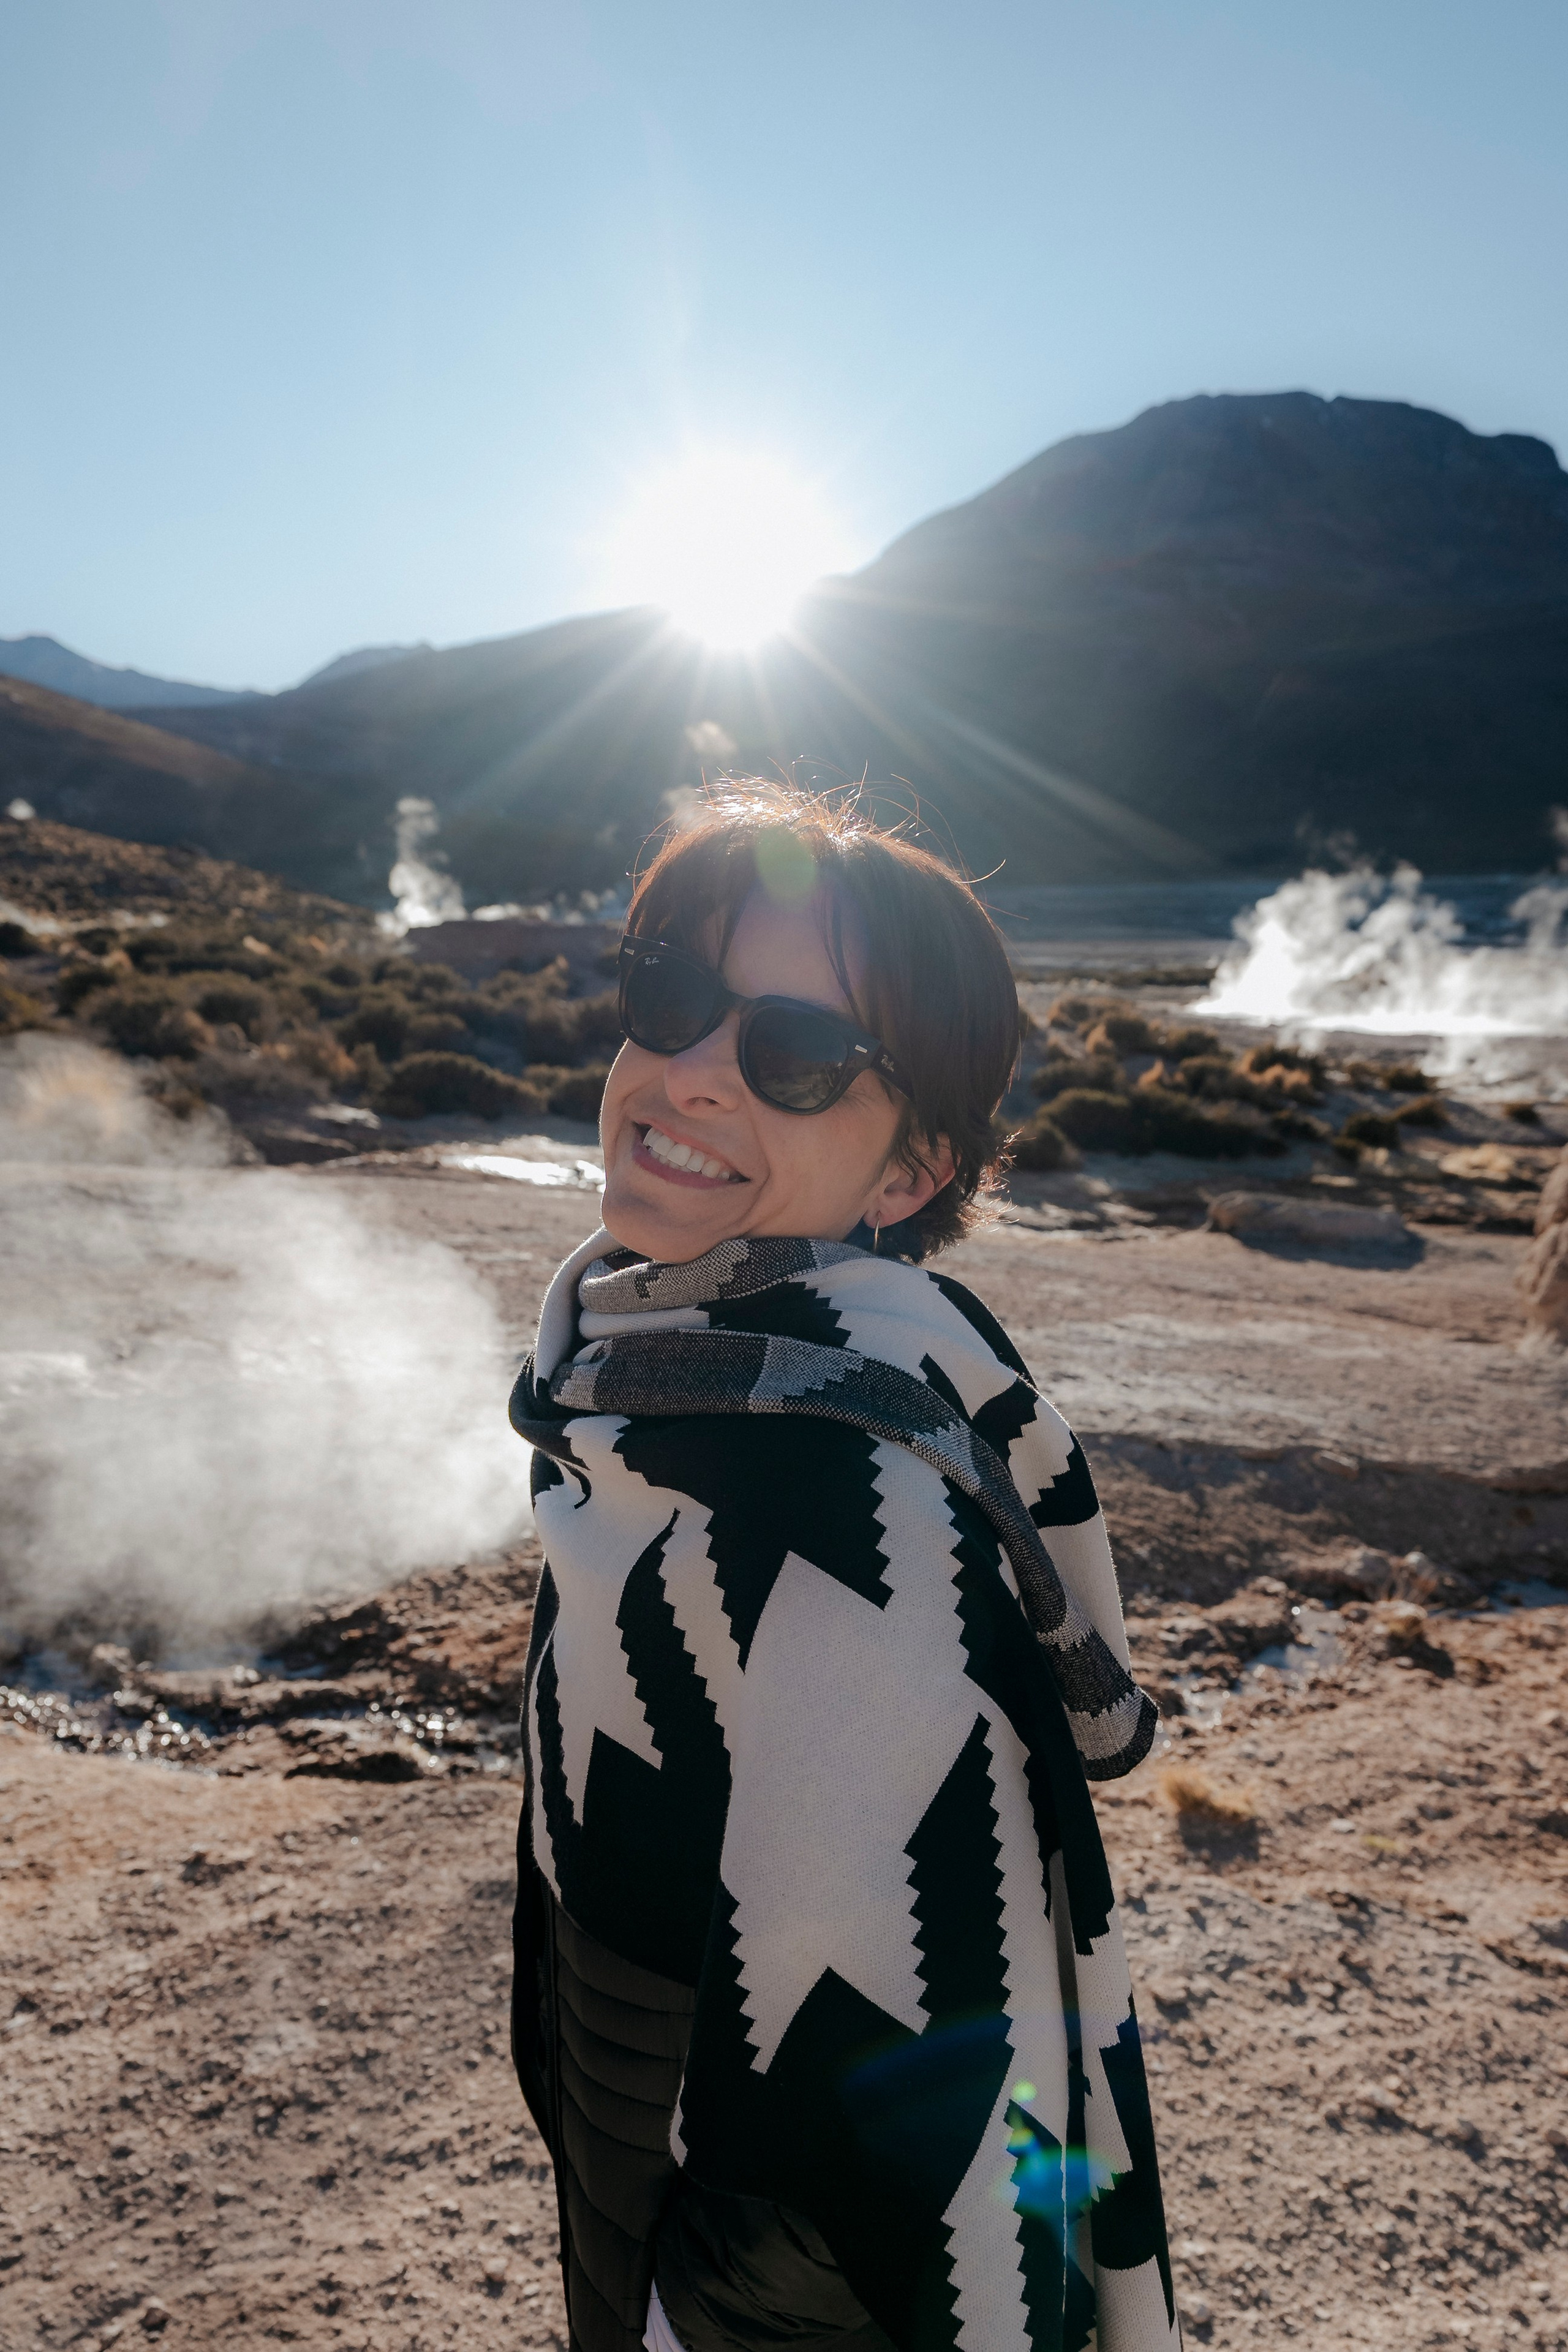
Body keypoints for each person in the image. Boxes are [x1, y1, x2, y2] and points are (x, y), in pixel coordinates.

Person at [509, 783, 1177, 2352]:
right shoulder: (660, 1373)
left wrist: (706, 2294)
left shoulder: (846, 1482)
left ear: (906, 1174)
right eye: (673, 994)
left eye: (793, 1056)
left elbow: (932, 2065)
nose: (686, 1072)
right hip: (642, 2133)